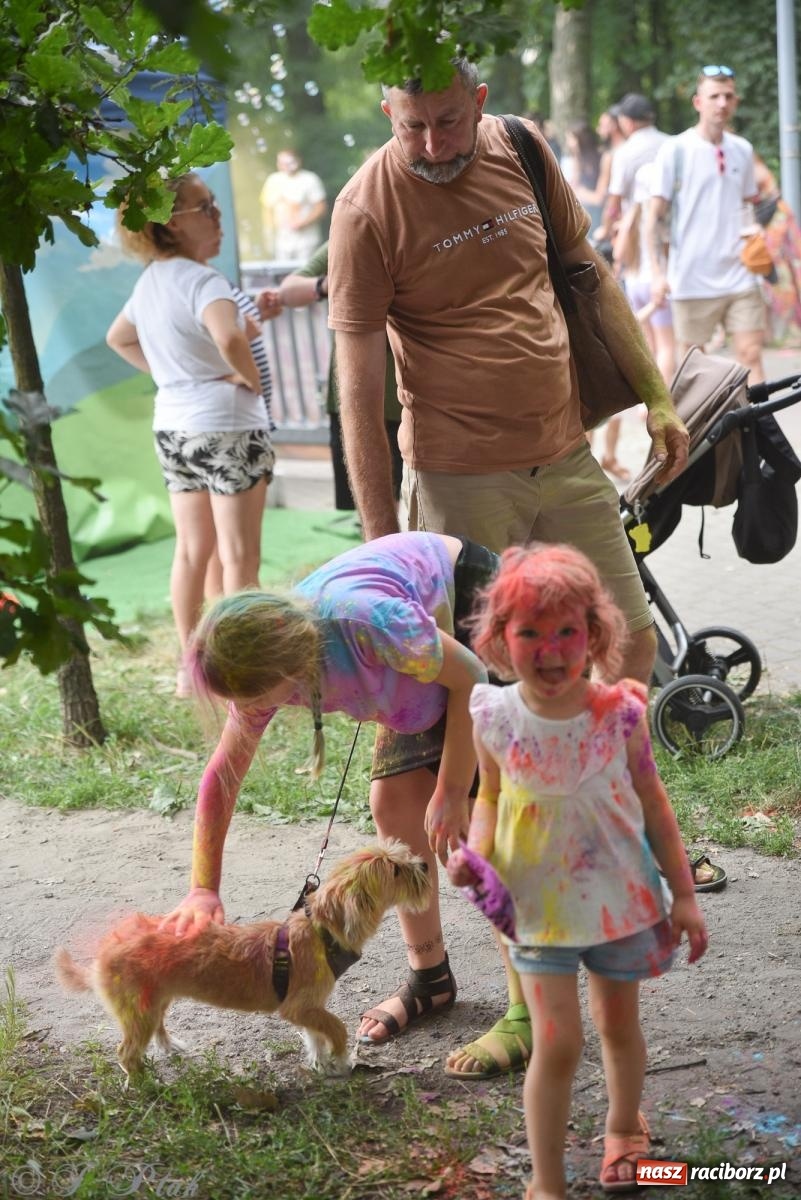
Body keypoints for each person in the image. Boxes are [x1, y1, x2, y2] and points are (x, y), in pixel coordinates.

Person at [327, 58, 689, 1077]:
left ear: (479, 105)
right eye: (413, 128)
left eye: (448, 123)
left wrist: (658, 394)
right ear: (388, 112)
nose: (434, 145)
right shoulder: (367, 209)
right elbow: (358, 371)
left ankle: (602, 845)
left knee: (626, 645)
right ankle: (527, 980)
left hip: (564, 453)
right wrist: (375, 536)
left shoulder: (523, 150)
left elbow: (587, 271)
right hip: (460, 475)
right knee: (494, 715)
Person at [446, 543, 708, 1198]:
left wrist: (684, 895)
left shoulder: (618, 714)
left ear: (593, 633)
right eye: (529, 631)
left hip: (620, 900)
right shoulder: (493, 716)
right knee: (556, 1043)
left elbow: (653, 803)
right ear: (500, 638)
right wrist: (474, 853)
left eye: (566, 630)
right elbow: (490, 799)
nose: (550, 648)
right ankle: (547, 1181)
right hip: (538, 905)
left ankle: (622, 1129)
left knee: (619, 1026)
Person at [160, 532, 496, 1042]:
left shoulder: (366, 622)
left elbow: (472, 675)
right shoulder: (274, 666)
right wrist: (203, 887)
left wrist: (452, 788)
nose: (248, 709)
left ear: (288, 662)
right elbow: (222, 777)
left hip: (473, 613)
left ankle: (533, 1006)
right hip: (416, 671)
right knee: (395, 808)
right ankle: (431, 980)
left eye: (252, 695)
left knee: (490, 821)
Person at [106, 174, 274, 696]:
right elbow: (228, 334)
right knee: (239, 556)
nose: (218, 217)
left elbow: (119, 339)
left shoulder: (151, 281)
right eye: (206, 208)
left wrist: (171, 376)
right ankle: (243, 671)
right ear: (170, 224)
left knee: (191, 551)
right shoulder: (205, 282)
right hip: (226, 426)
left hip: (174, 428)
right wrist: (246, 379)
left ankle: (191, 670)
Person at [646, 66, 767, 383]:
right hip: (691, 277)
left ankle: (757, 432)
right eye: (714, 96)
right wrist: (657, 274)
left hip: (740, 274)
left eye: (728, 96)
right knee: (694, 366)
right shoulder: (676, 150)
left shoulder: (742, 149)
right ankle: (703, 434)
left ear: (736, 102)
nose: (722, 103)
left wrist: (756, 236)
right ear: (698, 102)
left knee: (751, 354)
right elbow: (652, 216)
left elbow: (746, 206)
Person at [264, 242, 403, 511]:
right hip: (359, 399)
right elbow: (289, 291)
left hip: (419, 398)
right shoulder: (353, 234)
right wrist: (331, 284)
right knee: (374, 506)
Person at [597, 92, 668, 242]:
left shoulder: (625, 153)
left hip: (637, 234)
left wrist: (605, 229)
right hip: (670, 229)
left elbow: (614, 201)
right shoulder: (671, 144)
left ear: (628, 123)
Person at [259, 149, 327, 263]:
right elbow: (267, 208)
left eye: (289, 162)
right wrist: (268, 232)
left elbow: (321, 208)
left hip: (306, 240)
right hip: (282, 239)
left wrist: (303, 223)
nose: (286, 166)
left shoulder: (309, 179)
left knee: (304, 274)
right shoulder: (273, 180)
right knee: (283, 274)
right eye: (282, 162)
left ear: (298, 161)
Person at [562, 121, 602, 229]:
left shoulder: (600, 160)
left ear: (581, 139)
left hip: (597, 216)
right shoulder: (576, 159)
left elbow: (599, 198)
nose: (568, 143)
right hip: (582, 214)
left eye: (570, 139)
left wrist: (579, 192)